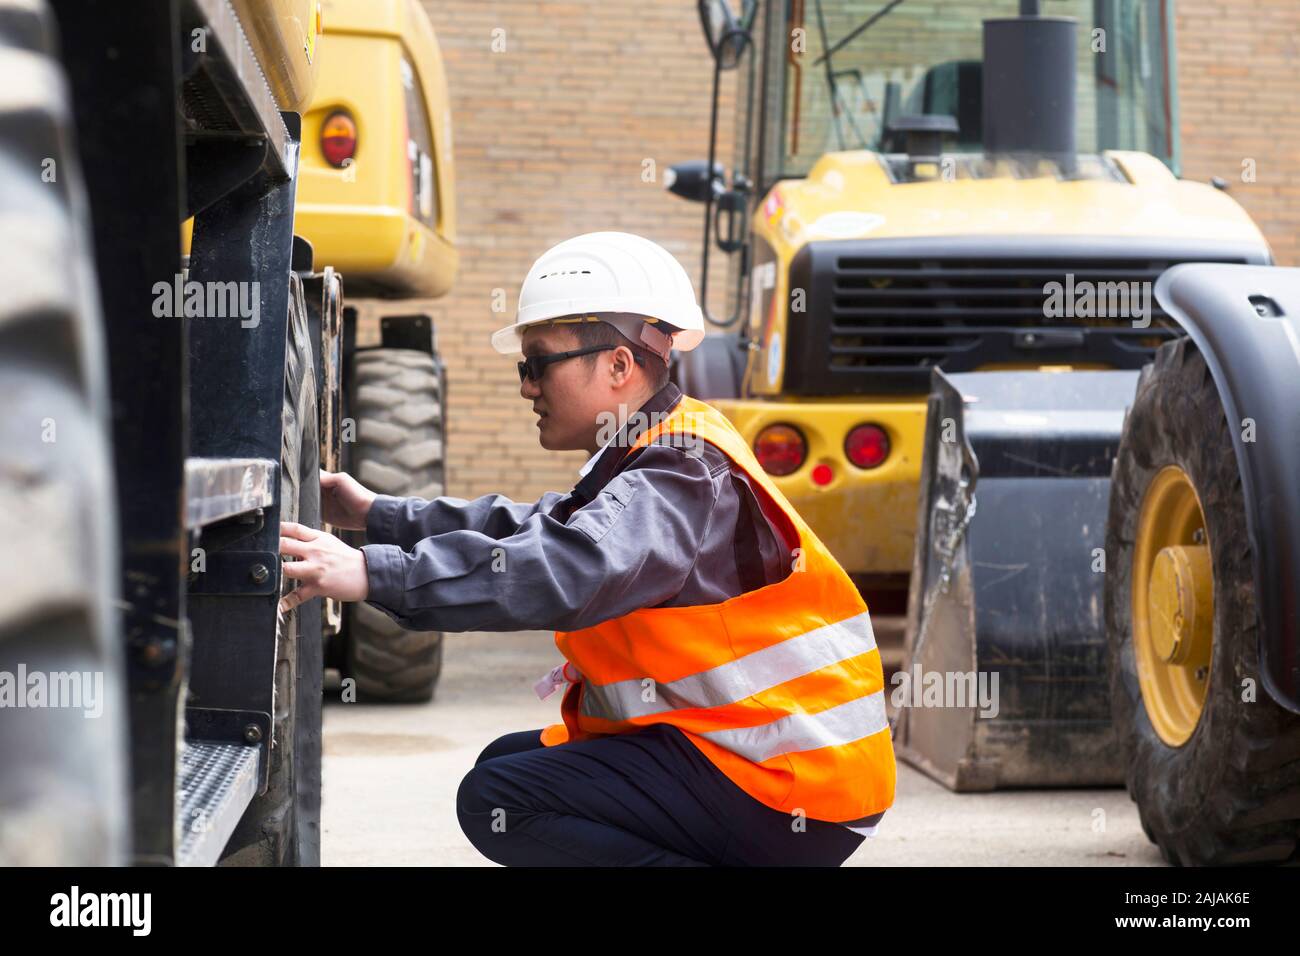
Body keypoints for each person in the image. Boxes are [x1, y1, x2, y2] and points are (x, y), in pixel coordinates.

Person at [278, 231, 895, 866]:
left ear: (618, 367)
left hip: (791, 785)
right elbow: (534, 529)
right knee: (509, 762)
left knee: (502, 797)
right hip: (756, 756)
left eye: (537, 364)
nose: (527, 388)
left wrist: (371, 575)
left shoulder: (679, 473)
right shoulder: (655, 450)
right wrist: (377, 516)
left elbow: (570, 568)